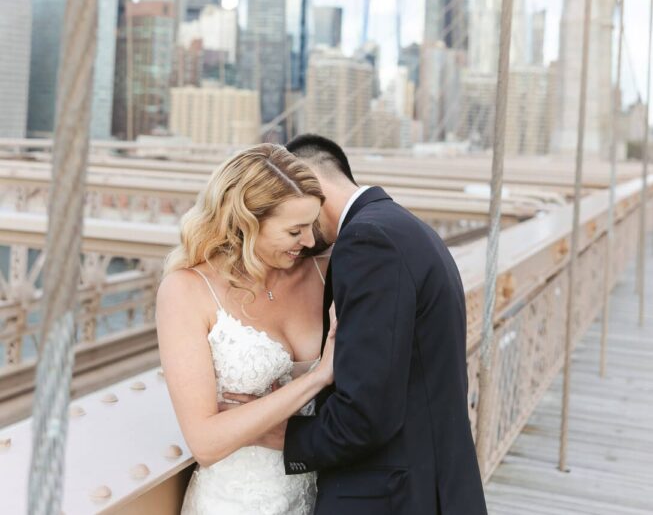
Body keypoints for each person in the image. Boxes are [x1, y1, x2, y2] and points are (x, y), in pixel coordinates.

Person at [281, 133, 488, 515]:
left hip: (390, 495)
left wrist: (275, 436)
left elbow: (365, 415)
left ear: (306, 184)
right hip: (429, 483)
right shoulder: (405, 227)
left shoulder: (367, 241)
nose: (300, 238)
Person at [156, 143, 335, 515]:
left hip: (320, 497)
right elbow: (205, 442)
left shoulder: (323, 272)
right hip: (233, 503)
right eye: (294, 231)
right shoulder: (186, 291)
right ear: (246, 223)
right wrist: (315, 379)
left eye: (312, 225)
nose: (308, 241)